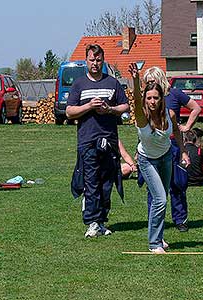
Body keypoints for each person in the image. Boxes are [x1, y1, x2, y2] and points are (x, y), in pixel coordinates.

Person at [66, 44, 129, 238]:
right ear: (86, 61)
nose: (95, 63)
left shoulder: (113, 83)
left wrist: (109, 109)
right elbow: (69, 112)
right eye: (92, 60)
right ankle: (91, 222)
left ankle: (102, 221)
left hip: (109, 140)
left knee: (106, 183)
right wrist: (89, 106)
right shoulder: (78, 84)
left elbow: (125, 106)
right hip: (87, 140)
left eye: (99, 60)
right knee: (91, 182)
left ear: (103, 60)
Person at [128, 62, 190, 254]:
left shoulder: (169, 114)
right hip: (147, 161)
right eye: (149, 98)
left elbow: (178, 133)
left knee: (162, 199)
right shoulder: (141, 116)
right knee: (160, 199)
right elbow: (137, 100)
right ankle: (154, 244)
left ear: (161, 98)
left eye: (155, 97)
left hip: (166, 158)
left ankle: (160, 237)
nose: (152, 101)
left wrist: (183, 151)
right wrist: (137, 79)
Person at [143, 66, 201, 232]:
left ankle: (180, 219)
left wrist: (187, 127)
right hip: (152, 146)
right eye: (147, 83)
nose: (150, 85)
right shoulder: (147, 98)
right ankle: (153, 220)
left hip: (173, 144)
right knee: (153, 187)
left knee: (177, 184)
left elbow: (196, 108)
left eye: (152, 81)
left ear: (160, 80)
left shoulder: (174, 94)